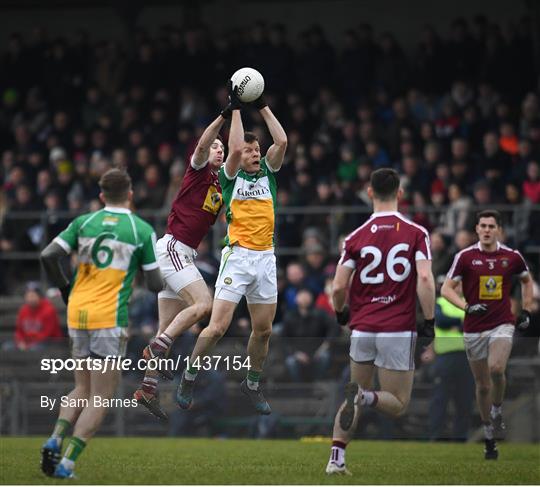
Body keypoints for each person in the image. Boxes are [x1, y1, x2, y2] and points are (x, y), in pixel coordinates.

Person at [39, 168, 162, 479]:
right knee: (101, 396)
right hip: (109, 318)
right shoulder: (140, 229)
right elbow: (156, 284)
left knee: (81, 386)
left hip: (77, 313)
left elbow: (48, 255)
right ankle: (67, 463)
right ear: (131, 194)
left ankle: (54, 438)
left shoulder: (85, 222)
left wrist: (67, 290)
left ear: (101, 195)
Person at [176, 83, 287, 415]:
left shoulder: (269, 171)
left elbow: (281, 141)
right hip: (238, 256)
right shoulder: (230, 177)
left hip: (265, 258)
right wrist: (236, 107)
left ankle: (251, 383)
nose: (252, 153)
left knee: (263, 330)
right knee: (218, 326)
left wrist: (263, 104)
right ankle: (190, 375)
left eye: (256, 150)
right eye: (249, 150)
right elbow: (234, 148)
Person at [325, 168, 435, 475]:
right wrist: (429, 319)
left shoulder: (354, 237)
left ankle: (336, 459)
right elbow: (424, 278)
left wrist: (341, 313)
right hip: (397, 328)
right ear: (400, 194)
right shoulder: (416, 233)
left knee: (353, 391)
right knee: (397, 403)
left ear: (370, 193)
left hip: (362, 327)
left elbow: (337, 286)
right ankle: (364, 396)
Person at [133, 106, 230, 420]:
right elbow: (202, 146)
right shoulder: (198, 169)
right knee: (204, 305)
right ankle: (158, 345)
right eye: (216, 146)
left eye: (222, 148)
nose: (218, 149)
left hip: (180, 254)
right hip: (174, 248)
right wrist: (224, 116)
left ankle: (147, 389)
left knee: (167, 328)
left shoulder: (219, 186)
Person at [441, 209, 533, 460]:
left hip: (502, 322)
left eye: (492, 226)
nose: (487, 230)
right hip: (474, 327)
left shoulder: (512, 257)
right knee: (482, 386)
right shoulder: (465, 256)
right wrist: (467, 307)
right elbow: (446, 289)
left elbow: (526, 281)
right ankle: (489, 435)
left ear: (499, 230)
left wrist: (525, 309)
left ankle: (497, 409)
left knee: (496, 369)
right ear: (477, 230)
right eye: (483, 225)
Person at [422, 276, 474, 442]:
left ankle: (461, 437)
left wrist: (459, 324)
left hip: (467, 358)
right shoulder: (441, 302)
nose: (457, 287)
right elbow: (442, 321)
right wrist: (460, 322)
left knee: (464, 400)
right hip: (445, 358)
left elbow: (473, 323)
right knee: (439, 399)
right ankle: (435, 436)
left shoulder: (470, 303)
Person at [11, 281, 62, 351]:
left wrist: (28, 345)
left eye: (33, 295)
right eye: (28, 296)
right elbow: (19, 331)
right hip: (28, 343)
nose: (30, 298)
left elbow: (47, 334)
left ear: (39, 296)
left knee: (33, 349)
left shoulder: (48, 310)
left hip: (49, 343)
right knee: (7, 347)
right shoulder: (23, 310)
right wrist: (21, 342)